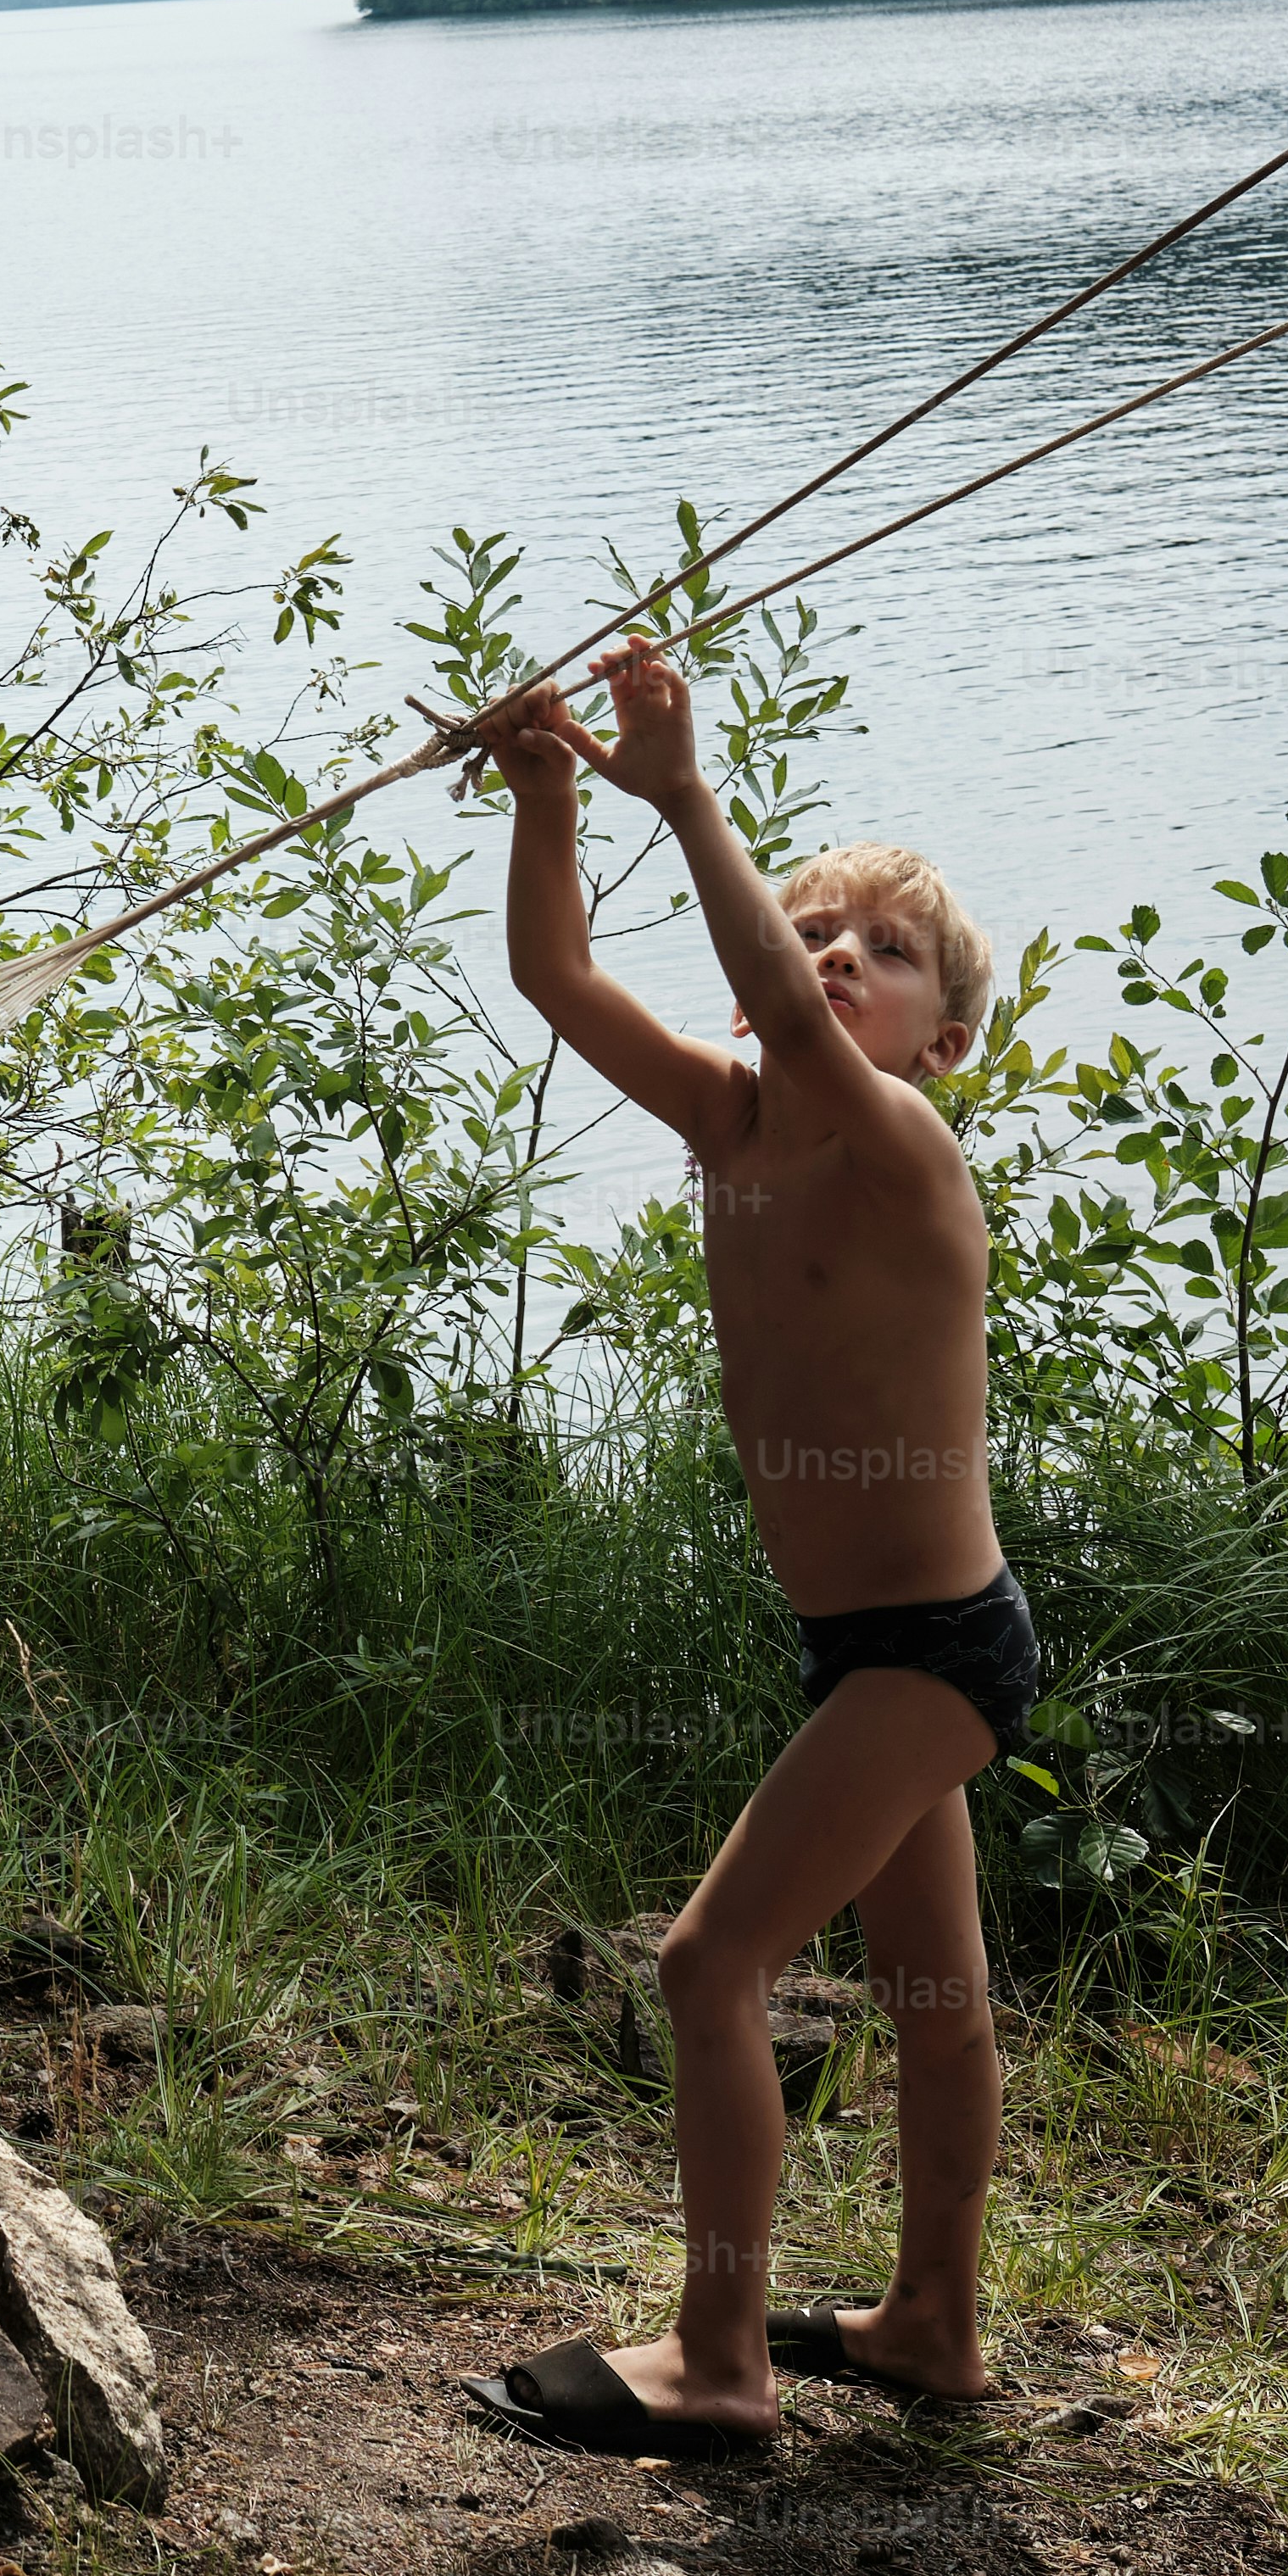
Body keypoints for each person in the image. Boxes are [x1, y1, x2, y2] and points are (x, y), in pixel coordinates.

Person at [455, 637, 1027, 2461]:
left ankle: (721, 2351)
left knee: (711, 1969)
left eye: (887, 949)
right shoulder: (731, 1118)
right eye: (821, 926)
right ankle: (932, 2321)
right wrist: (552, 798)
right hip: (867, 1652)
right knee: (938, 2005)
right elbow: (555, 970)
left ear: (944, 1037)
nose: (840, 955)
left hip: (936, 1648)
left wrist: (688, 792)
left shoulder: (902, 1147)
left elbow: (778, 1009)